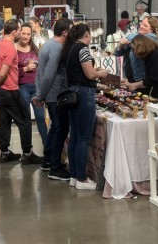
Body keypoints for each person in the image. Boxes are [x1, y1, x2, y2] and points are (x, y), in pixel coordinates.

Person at [62, 23, 109, 189]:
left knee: (75, 136)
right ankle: (82, 179)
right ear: (87, 35)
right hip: (83, 94)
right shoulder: (82, 49)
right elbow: (89, 74)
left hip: (73, 94)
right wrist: (101, 73)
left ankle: (74, 175)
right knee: (83, 138)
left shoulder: (69, 49)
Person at [0, 19, 40, 165]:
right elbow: (3, 73)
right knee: (25, 120)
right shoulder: (10, 48)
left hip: (1, 91)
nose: (22, 34)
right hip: (9, 89)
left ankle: (5, 153)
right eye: (20, 31)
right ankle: (27, 153)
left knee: (4, 121)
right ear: (15, 32)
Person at [33, 17, 72, 181]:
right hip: (56, 95)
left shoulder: (47, 45)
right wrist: (41, 95)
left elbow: (39, 74)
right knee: (60, 129)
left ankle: (48, 160)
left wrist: (40, 94)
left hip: (50, 94)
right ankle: (55, 167)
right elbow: (48, 76)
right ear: (65, 32)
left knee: (55, 127)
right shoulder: (56, 48)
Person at [16, 24, 48, 152]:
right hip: (22, 87)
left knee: (40, 118)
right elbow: (10, 71)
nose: (25, 36)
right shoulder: (14, 49)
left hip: (37, 88)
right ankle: (28, 151)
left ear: (31, 35)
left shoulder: (35, 49)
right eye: (23, 33)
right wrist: (25, 68)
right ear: (19, 33)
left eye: (28, 34)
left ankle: (47, 148)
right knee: (26, 120)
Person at [123, 33, 158, 100]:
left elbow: (152, 79)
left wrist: (133, 85)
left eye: (134, 49)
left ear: (140, 47)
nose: (133, 52)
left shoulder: (157, 55)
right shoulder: (152, 54)